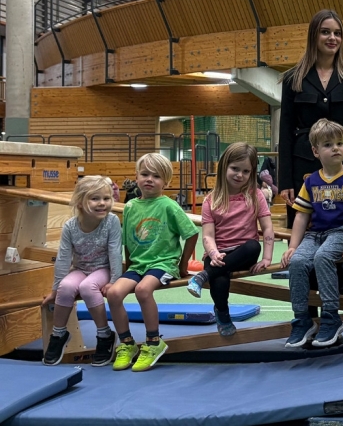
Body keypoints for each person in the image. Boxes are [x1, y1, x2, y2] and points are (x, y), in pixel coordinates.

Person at [278, 9, 343, 316]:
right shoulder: (293, 78)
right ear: (314, 36)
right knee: (304, 244)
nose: (332, 38)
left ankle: (333, 311)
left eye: (337, 33)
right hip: (304, 169)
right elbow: (285, 133)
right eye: (326, 32)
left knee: (339, 242)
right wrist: (286, 182)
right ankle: (307, 317)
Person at [280, 119, 343, 348]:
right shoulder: (311, 181)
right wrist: (293, 246)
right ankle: (302, 319)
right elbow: (301, 216)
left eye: (340, 143)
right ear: (315, 151)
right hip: (316, 234)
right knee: (299, 261)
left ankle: (331, 316)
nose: (336, 148)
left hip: (342, 232)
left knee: (322, 257)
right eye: (328, 144)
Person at [106, 153, 199, 372]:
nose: (149, 179)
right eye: (144, 174)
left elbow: (191, 233)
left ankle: (154, 342)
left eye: (156, 176)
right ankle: (127, 344)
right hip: (138, 265)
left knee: (143, 291)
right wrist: (128, 267)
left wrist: (183, 264)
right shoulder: (130, 207)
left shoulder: (169, 206)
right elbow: (128, 240)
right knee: (113, 293)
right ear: (136, 177)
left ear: (165, 182)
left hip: (163, 263)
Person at [187, 142, 275, 336]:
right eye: (235, 169)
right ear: (224, 166)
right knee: (220, 280)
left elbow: (267, 228)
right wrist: (213, 253)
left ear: (252, 173)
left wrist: (267, 258)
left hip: (243, 253)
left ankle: (204, 276)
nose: (239, 175)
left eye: (246, 171)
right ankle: (222, 313)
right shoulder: (211, 200)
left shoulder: (255, 195)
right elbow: (208, 235)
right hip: (218, 253)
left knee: (253, 246)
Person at [41, 176, 122, 367]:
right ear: (80, 202)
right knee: (66, 287)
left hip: (104, 268)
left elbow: (115, 253)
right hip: (80, 268)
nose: (102, 203)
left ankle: (105, 335)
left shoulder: (111, 222)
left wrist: (114, 281)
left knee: (87, 287)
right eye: (95, 199)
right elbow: (63, 259)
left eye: (106, 198)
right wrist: (55, 290)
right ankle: (59, 334)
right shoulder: (70, 226)